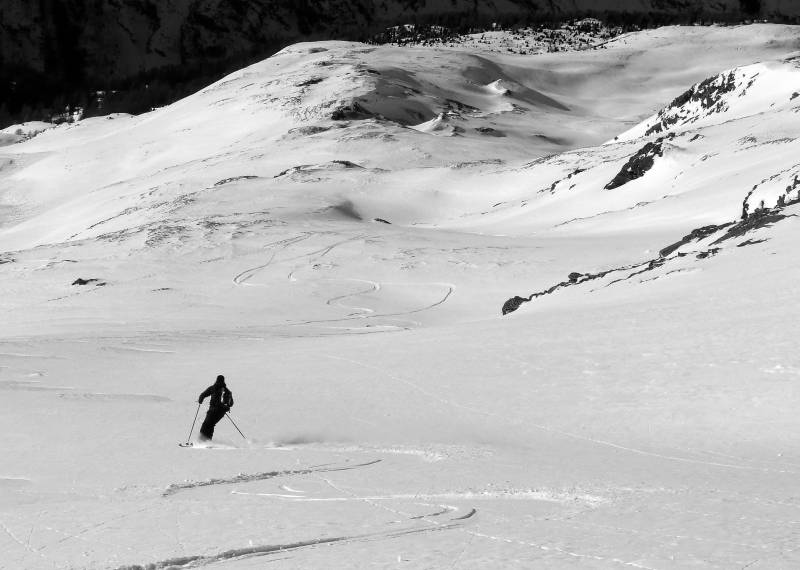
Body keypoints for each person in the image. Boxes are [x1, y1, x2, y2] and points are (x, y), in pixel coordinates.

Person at [198, 375, 234, 441]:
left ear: (216, 380)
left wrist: (200, 400)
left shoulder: (213, 388)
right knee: (210, 424)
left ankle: (202, 440)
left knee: (206, 424)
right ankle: (207, 440)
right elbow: (231, 404)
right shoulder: (227, 391)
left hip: (213, 410)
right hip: (221, 412)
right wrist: (226, 406)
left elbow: (203, 394)